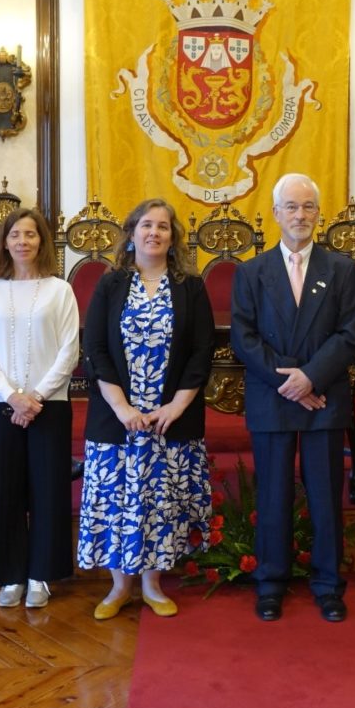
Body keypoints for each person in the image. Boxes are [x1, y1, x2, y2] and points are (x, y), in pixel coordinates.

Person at [231, 173, 355, 623]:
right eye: (291, 206)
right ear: (275, 213)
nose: (300, 215)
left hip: (324, 399)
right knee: (273, 496)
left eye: (308, 206)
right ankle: (270, 583)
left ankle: (328, 585)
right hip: (273, 400)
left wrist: (311, 378)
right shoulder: (251, 272)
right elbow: (244, 338)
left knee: (325, 496)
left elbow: (349, 335)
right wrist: (291, 383)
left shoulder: (342, 270)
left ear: (318, 214)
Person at [78, 198, 214, 619]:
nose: (154, 232)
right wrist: (121, 407)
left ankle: (154, 586)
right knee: (117, 501)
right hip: (117, 418)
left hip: (170, 419)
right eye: (146, 225)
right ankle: (118, 587)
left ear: (174, 238)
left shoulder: (191, 287)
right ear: (132, 233)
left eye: (163, 226)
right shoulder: (111, 284)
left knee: (162, 502)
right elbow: (94, 347)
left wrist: (176, 406)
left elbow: (202, 351)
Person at [0, 208, 80, 609]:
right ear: (4, 242)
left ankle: (40, 574)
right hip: (1, 404)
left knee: (48, 488)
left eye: (30, 234)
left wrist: (35, 397)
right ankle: (11, 575)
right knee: (6, 489)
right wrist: (13, 396)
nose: (22, 241)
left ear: (42, 241)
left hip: (50, 405)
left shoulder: (60, 290)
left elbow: (69, 350)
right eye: (15, 234)